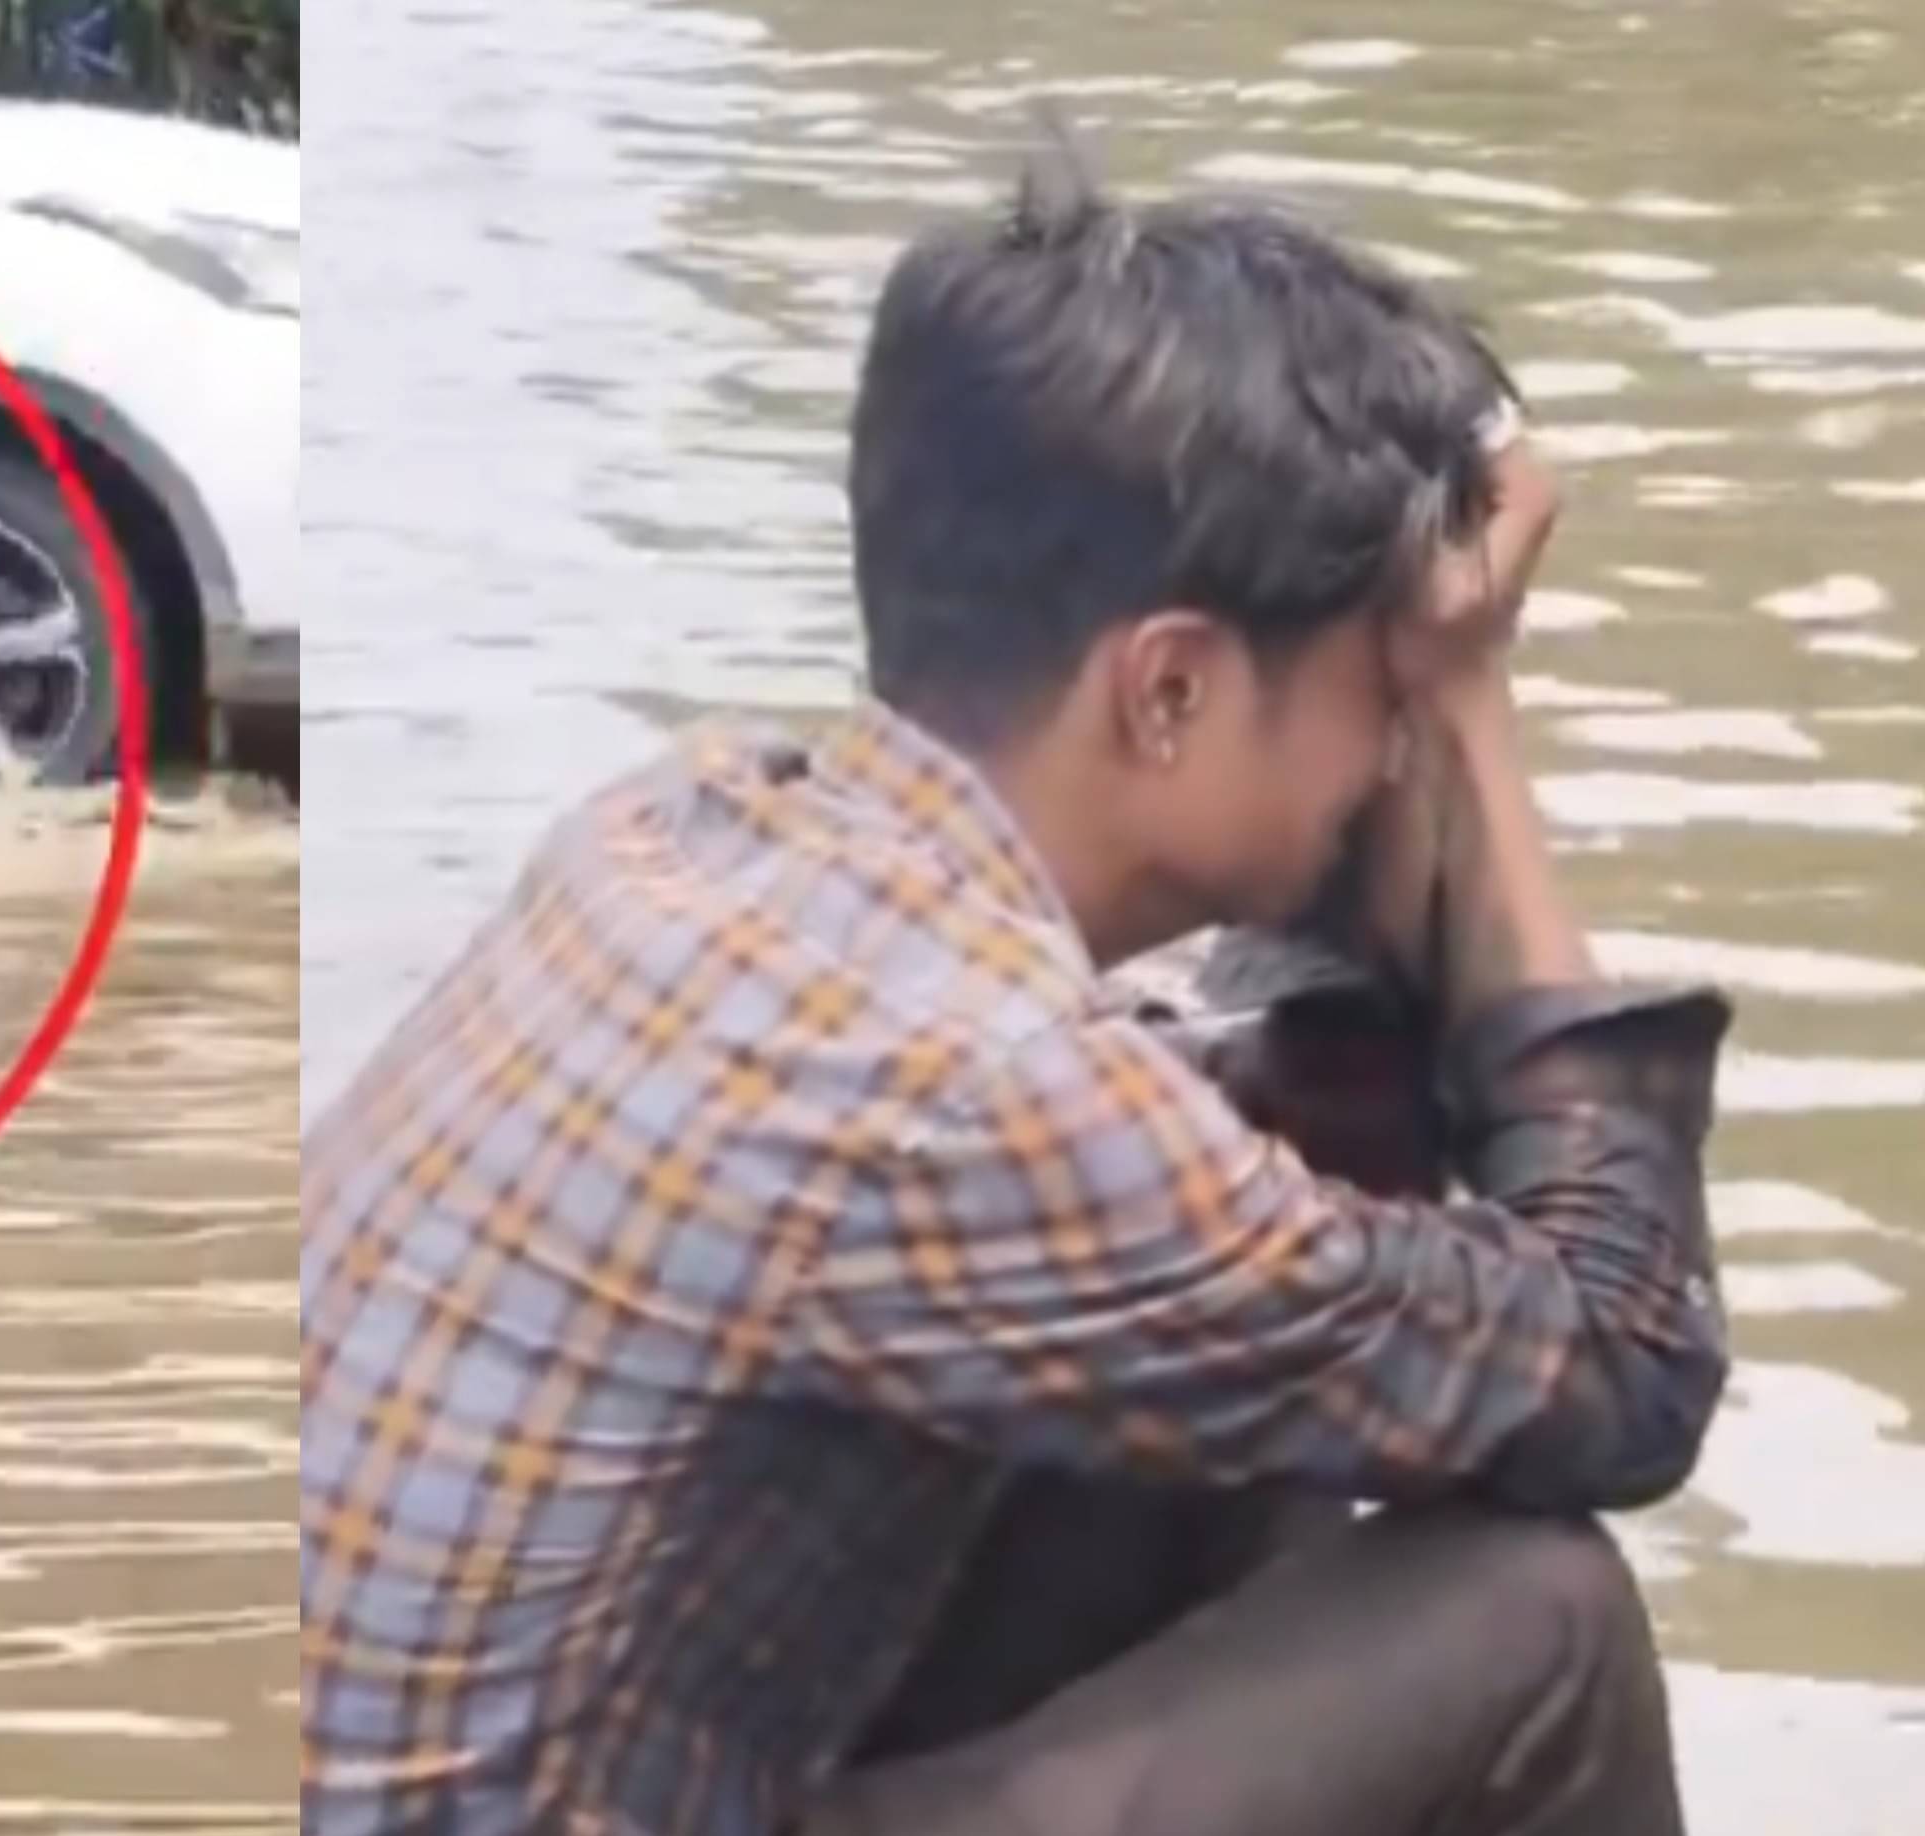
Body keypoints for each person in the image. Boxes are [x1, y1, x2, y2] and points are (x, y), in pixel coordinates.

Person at [297, 148, 1740, 1836]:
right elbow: (1622, 1368)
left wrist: (1395, 761)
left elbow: (1298, 1224)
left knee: (1272, 1326)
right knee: (1538, 1628)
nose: (1391, 744)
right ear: (1168, 693)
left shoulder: (684, 825)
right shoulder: (974, 1091)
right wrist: (1477, 721)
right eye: (1383, 686)